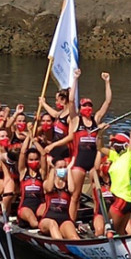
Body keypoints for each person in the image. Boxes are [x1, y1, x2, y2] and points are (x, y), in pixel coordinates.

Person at [46, 70, 113, 222]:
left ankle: (100, 222)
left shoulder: (96, 119)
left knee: (97, 196)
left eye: (89, 106)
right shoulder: (76, 120)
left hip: (93, 163)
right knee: (75, 196)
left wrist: (107, 82)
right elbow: (70, 101)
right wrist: (75, 79)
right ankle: (70, 222)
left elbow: (107, 101)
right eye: (84, 106)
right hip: (79, 163)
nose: (87, 108)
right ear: (81, 108)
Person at [97, 102, 131, 234]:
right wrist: (100, 133)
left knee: (108, 230)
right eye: (114, 142)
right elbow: (99, 147)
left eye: (117, 142)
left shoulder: (129, 156)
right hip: (127, 201)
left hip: (122, 200)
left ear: (125, 145)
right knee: (119, 233)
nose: (113, 144)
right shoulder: (115, 156)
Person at [38, 159, 80, 240]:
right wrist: (52, 169)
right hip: (48, 219)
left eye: (64, 167)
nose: (62, 169)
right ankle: (60, 246)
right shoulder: (47, 183)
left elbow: (72, 190)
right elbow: (49, 189)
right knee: (52, 224)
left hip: (64, 219)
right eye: (60, 167)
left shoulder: (68, 185)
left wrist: (69, 169)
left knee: (74, 236)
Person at [16, 137, 46, 228]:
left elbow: (43, 154)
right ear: (27, 160)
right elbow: (22, 152)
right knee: (34, 223)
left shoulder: (41, 173)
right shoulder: (23, 172)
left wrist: (34, 141)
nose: (34, 162)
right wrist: (29, 135)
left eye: (36, 159)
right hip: (25, 207)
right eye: (31, 160)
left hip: (39, 206)